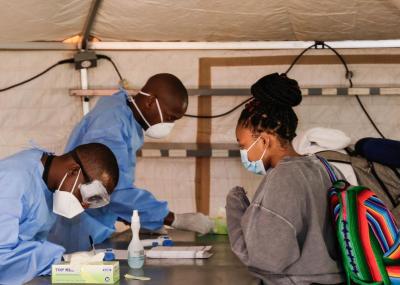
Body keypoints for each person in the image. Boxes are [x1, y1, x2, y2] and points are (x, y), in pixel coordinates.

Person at [49, 73, 214, 253]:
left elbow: (115, 185)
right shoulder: (111, 123)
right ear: (150, 102)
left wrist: (137, 218)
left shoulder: (125, 118)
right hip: (76, 227)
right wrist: (172, 219)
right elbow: (108, 188)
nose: (170, 125)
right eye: (170, 117)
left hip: (93, 224)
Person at [225, 73, 344, 285]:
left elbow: (266, 260)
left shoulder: (283, 179)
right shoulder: (323, 167)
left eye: (242, 146)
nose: (243, 153)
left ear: (264, 140)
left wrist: (234, 208)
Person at [0, 143, 119, 285]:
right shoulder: (13, 179)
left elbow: (31, 243)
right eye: (86, 196)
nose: (84, 205)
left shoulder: (50, 185)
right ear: (73, 171)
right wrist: (58, 260)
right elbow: (3, 255)